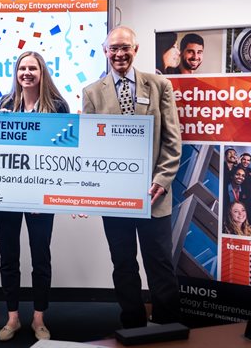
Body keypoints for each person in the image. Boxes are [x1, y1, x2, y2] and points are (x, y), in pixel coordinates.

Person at [82, 26, 182, 328]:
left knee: (160, 264)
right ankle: (133, 322)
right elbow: (89, 146)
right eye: (113, 48)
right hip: (115, 199)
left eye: (124, 47)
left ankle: (167, 323)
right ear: (105, 52)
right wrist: (87, 188)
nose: (119, 54)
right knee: (123, 264)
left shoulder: (159, 84)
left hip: (154, 195)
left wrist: (161, 181)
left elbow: (172, 141)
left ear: (135, 50)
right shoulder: (91, 92)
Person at [0, 51, 70, 342]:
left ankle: (39, 317)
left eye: (32, 68)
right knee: (9, 257)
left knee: (41, 257)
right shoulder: (4, 105)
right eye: (22, 68)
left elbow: (64, 154)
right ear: (16, 73)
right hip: (6, 195)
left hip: (42, 197)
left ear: (42, 73)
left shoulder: (58, 107)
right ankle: (12, 317)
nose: (26, 73)